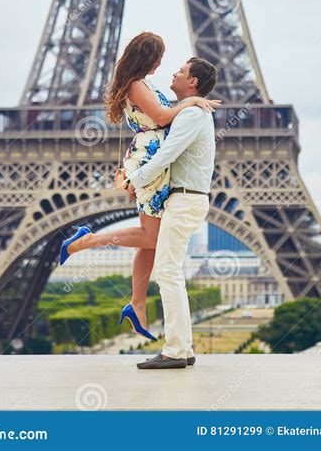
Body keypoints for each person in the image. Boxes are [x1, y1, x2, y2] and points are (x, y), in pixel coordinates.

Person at [58, 32, 220, 342]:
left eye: (177, 68)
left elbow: (163, 119)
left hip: (153, 160)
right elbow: (160, 117)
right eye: (160, 57)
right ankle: (87, 241)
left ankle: (137, 304)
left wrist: (188, 105)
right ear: (148, 58)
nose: (166, 65)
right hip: (149, 160)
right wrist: (191, 103)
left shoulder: (143, 84)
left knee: (152, 240)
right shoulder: (136, 85)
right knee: (151, 236)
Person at [123, 56, 218, 369]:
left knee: (167, 271)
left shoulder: (192, 113)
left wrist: (134, 179)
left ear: (192, 82)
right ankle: (183, 348)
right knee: (169, 271)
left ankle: (177, 350)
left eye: (181, 71)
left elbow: (166, 153)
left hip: (185, 198)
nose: (174, 72)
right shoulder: (190, 110)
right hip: (184, 198)